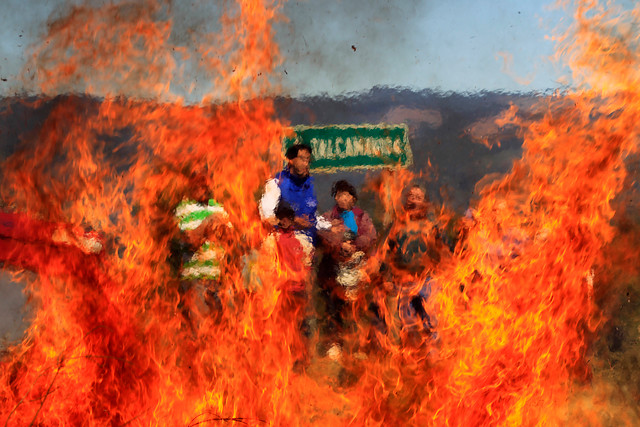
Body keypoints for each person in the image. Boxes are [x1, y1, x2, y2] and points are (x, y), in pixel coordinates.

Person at [381, 184, 449, 346]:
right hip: (404, 283)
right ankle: (412, 362)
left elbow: (447, 250)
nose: (413, 201)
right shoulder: (398, 225)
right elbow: (386, 252)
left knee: (431, 323)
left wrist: (448, 275)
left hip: (428, 281)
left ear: (425, 203)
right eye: (411, 196)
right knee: (408, 325)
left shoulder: (434, 225)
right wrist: (386, 277)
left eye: (418, 197)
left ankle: (434, 361)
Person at [317, 180, 377, 360]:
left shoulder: (362, 217)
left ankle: (358, 345)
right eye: (339, 195)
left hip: (356, 270)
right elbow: (322, 236)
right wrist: (339, 245)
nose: (342, 198)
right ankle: (334, 345)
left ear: (354, 198)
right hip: (332, 272)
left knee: (357, 310)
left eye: (346, 194)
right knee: (333, 309)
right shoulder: (328, 217)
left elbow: (371, 236)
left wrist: (355, 245)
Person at [259, 143, 318, 242]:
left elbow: (313, 216)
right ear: (290, 160)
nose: (306, 164)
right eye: (302, 159)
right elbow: (266, 217)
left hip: (310, 243)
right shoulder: (276, 183)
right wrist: (291, 221)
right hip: (285, 243)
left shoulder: (309, 184)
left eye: (308, 159)